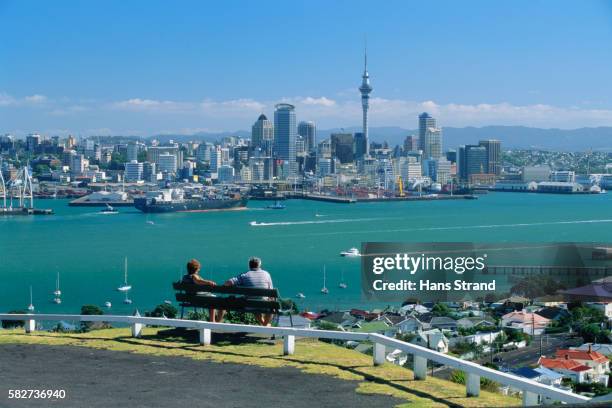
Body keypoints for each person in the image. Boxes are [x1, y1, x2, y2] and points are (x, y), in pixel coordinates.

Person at [222, 257, 274, 326]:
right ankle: (265, 324)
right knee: (270, 305)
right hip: (263, 305)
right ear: (259, 265)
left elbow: (228, 283)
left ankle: (264, 324)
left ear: (249, 265)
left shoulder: (244, 275)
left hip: (249, 305)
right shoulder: (266, 274)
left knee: (252, 300)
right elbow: (271, 292)